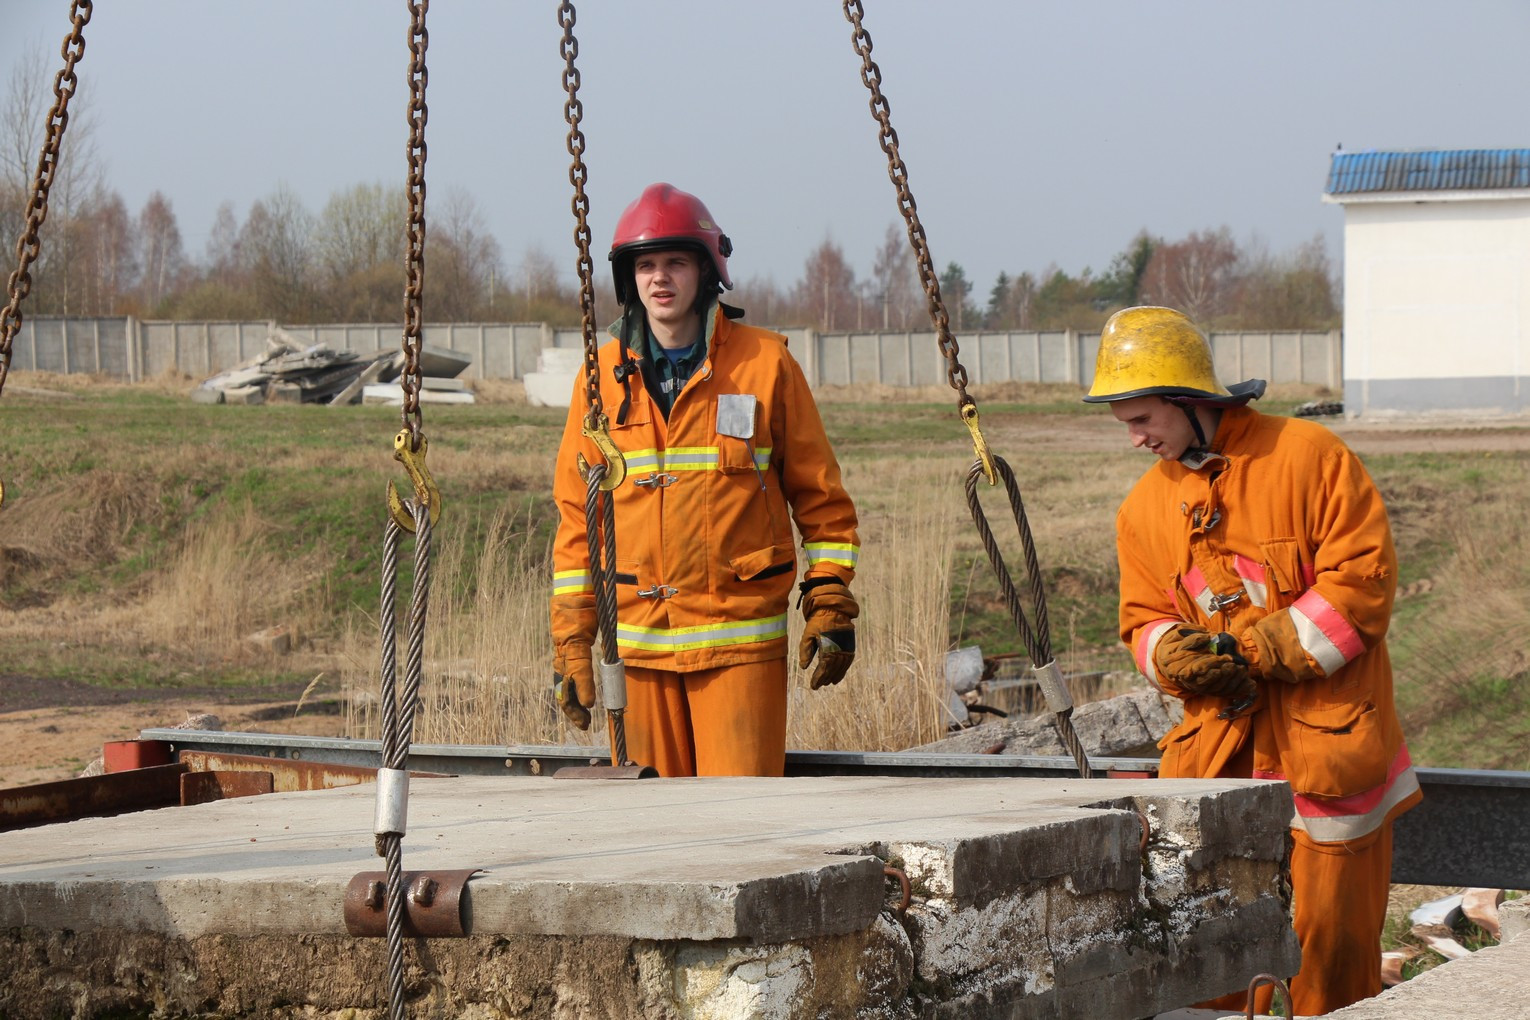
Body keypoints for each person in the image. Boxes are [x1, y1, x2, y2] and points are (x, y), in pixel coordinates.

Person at [1084, 306, 1421, 1016]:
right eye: (1125, 423)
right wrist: (1172, 656)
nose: (1136, 438)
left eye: (1143, 418)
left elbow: (1361, 591)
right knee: (1213, 970)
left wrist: (1254, 649)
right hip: (1219, 769)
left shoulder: (1309, 458)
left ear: (1189, 400)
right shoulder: (1144, 510)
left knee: (1328, 970)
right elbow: (1141, 622)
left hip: (1327, 766)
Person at [549, 182, 860, 778]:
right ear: (628, 279)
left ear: (706, 270)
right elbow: (576, 523)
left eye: (675, 262)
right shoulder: (600, 383)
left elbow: (822, 502)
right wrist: (572, 642)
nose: (659, 278)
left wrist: (828, 604)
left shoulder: (765, 365)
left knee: (740, 831)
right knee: (653, 847)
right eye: (645, 265)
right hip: (636, 654)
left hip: (738, 645)